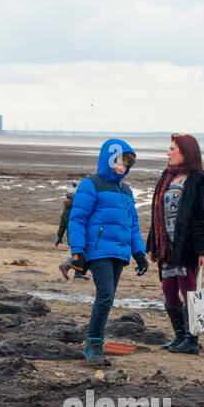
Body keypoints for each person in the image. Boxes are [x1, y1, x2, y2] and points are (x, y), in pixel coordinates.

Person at [68, 138, 148, 365]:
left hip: (119, 253)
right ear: (109, 159)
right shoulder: (90, 184)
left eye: (127, 163)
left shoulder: (127, 191)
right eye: (119, 161)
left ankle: (96, 342)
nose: (123, 166)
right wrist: (77, 253)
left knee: (108, 297)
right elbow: (77, 220)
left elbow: (132, 226)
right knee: (104, 295)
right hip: (97, 251)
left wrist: (139, 254)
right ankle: (93, 345)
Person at [146, 134, 204, 354]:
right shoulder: (166, 177)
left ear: (186, 152)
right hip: (167, 248)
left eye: (173, 149)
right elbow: (156, 213)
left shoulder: (199, 180)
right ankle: (179, 335)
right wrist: (152, 244)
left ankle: (192, 340)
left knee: (189, 291)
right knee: (168, 290)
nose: (168, 152)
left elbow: (203, 219)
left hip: (188, 248)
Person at [55, 183, 88, 281]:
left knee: (80, 253)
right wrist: (59, 236)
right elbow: (64, 221)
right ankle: (66, 265)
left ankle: (79, 272)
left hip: (76, 234)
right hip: (76, 234)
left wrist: (60, 236)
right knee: (81, 254)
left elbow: (63, 222)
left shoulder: (70, 206)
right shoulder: (73, 208)